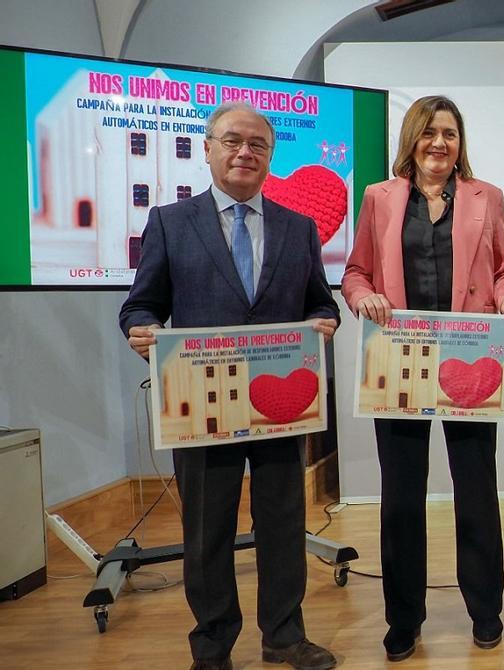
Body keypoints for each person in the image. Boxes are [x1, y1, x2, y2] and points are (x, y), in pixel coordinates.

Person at [118, 102, 339, 670]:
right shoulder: (170, 221)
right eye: (233, 141)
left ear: (270, 156)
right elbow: (141, 304)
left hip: (280, 403)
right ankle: (213, 645)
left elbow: (320, 301)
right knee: (207, 527)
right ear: (209, 148)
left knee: (283, 523)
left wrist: (325, 321)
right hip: (202, 403)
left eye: (258, 144)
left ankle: (284, 636)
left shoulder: (299, 228)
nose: (245, 152)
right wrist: (140, 329)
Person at [341, 95, 504, 662]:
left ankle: (486, 611)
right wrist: (364, 297)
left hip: (469, 362)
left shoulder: (487, 196)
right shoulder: (379, 197)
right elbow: (356, 273)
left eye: (449, 133)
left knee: (477, 493)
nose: (439, 143)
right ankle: (403, 619)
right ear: (412, 139)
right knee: (400, 499)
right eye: (429, 132)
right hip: (399, 362)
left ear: (460, 141)